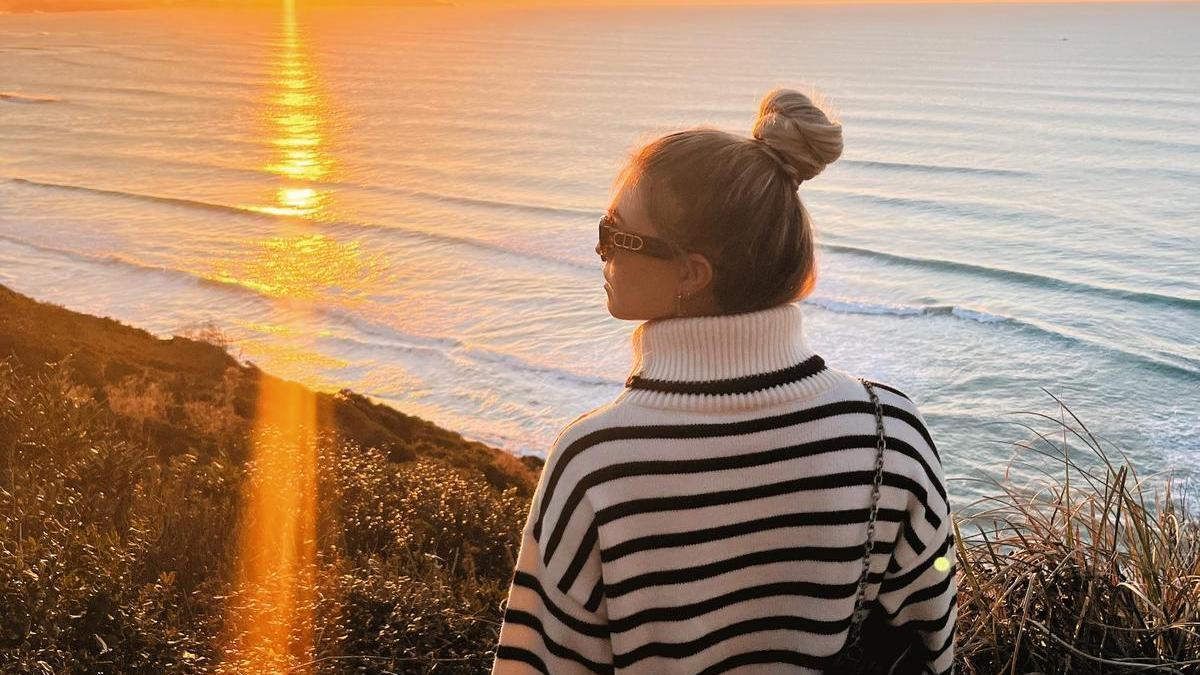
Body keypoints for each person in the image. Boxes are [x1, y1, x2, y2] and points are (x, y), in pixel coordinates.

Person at [491, 87, 956, 674]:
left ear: (691, 273)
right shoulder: (894, 433)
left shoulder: (597, 464)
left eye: (616, 233)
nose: (599, 248)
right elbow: (930, 644)